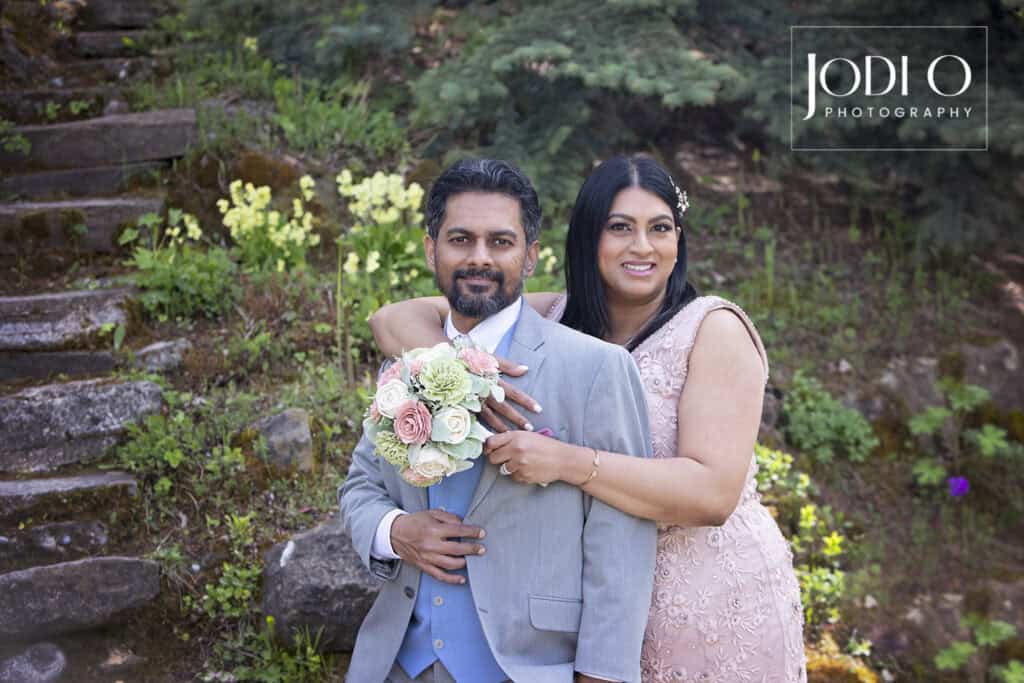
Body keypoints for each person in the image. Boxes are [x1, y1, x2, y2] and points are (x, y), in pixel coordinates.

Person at [370, 155, 808, 682]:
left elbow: (713, 495)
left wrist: (569, 462)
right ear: (585, 239)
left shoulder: (714, 329)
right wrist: (460, 376)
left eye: (660, 228)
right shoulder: (555, 314)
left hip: (703, 598)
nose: (642, 246)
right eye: (620, 228)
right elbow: (394, 317)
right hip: (587, 612)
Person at [339, 158, 658, 683]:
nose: (479, 258)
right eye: (461, 239)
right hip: (399, 663)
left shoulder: (596, 368)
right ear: (431, 249)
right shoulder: (405, 364)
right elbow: (361, 487)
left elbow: (620, 543)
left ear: (531, 256)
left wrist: (601, 675)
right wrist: (394, 531)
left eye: (501, 242)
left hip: (529, 666)